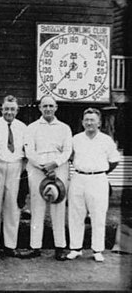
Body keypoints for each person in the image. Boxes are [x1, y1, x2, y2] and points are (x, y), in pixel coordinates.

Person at [21, 96, 72, 260]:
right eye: (45, 106)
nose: (48, 109)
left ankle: (60, 247)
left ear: (56, 107)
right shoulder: (32, 128)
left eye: (51, 106)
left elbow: (67, 151)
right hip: (38, 170)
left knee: (58, 207)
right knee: (37, 207)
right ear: (40, 108)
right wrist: (43, 166)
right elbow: (29, 151)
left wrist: (55, 164)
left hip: (59, 169)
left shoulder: (64, 128)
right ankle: (35, 247)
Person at [66, 108, 120, 263]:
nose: (89, 123)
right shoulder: (75, 139)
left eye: (92, 120)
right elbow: (69, 157)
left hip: (98, 180)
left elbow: (114, 160)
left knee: (98, 215)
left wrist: (101, 172)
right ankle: (75, 248)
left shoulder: (106, 140)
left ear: (99, 123)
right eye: (87, 120)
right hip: (78, 178)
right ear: (83, 122)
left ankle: (97, 250)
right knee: (76, 215)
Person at [0, 95, 26, 258]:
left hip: (16, 166)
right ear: (1, 109)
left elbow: (26, 150)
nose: (9, 112)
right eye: (6, 109)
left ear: (17, 110)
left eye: (12, 109)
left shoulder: (22, 127)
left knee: (13, 208)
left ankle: (10, 245)